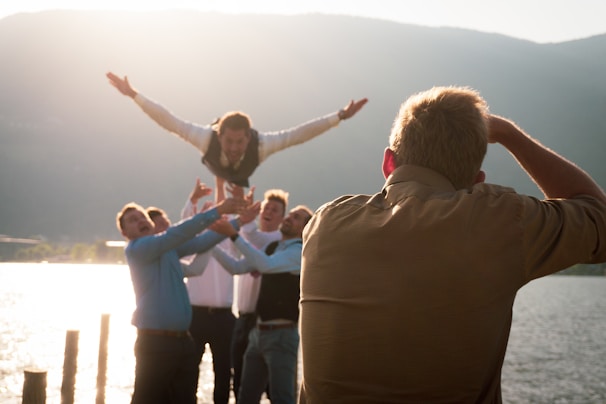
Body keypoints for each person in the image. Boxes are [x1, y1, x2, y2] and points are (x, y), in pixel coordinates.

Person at [298, 86, 606, 403]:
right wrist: (510, 134)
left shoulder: (325, 224)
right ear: (476, 180)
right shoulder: (496, 221)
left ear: (389, 163)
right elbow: (600, 219)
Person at [106, 72, 368, 186]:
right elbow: (169, 120)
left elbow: (299, 134)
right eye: (228, 141)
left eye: (239, 142)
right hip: (215, 166)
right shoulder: (205, 138)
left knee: (240, 178)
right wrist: (134, 95)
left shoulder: (262, 144)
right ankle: (222, 177)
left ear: (248, 138)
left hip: (243, 174)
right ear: (219, 135)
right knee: (216, 171)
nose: (233, 148)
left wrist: (341, 116)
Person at [116, 196, 246, 404]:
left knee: (185, 399)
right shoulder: (138, 249)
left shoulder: (167, 249)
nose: (140, 220)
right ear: (125, 233)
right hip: (155, 342)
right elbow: (178, 233)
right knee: (147, 399)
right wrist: (218, 210)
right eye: (132, 220)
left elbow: (202, 242)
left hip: (183, 342)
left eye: (142, 216)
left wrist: (239, 222)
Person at [212, 204, 313, 404]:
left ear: (304, 229)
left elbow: (265, 265)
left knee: (282, 398)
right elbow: (236, 267)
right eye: (291, 214)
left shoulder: (299, 253)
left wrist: (234, 235)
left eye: (296, 218)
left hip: (282, 336)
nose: (289, 218)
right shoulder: (272, 248)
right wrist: (210, 244)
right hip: (257, 334)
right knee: (245, 398)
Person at [232, 188, 288, 402]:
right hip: (242, 319)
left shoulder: (277, 240)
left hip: (261, 322)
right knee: (239, 382)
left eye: (275, 210)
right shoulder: (253, 238)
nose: (269, 212)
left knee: (271, 387)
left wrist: (245, 221)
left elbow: (251, 235)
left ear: (282, 218)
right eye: (266, 208)